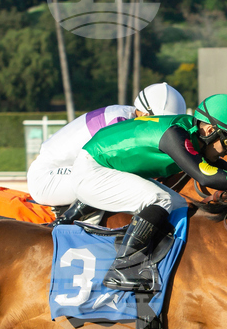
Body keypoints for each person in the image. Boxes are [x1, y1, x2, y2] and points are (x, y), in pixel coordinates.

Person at [67, 93, 227, 292]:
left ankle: (158, 261)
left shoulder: (189, 131)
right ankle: (122, 268)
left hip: (104, 167)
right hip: (92, 171)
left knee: (178, 205)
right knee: (161, 199)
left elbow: (220, 167)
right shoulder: (175, 135)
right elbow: (206, 175)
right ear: (210, 130)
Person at [27, 83, 187, 225]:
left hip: (73, 169)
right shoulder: (120, 121)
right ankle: (66, 226)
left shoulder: (132, 116)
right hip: (48, 178)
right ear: (145, 115)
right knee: (118, 183)